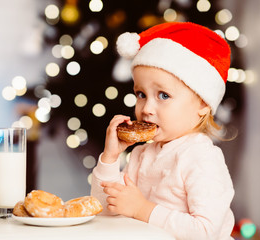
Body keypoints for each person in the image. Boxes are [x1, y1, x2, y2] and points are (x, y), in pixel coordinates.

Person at [91, 22, 235, 239]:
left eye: (163, 95)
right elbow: (105, 208)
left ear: (203, 103)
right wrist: (110, 157)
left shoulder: (200, 157)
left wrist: (142, 210)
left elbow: (205, 232)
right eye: (141, 94)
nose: (147, 109)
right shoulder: (142, 154)